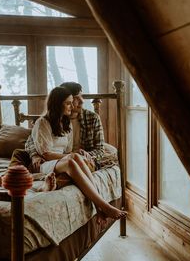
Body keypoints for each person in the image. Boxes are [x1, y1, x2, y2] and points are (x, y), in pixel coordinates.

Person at [30, 85, 126, 221]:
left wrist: (76, 153)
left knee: (73, 159)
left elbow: (69, 150)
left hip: (60, 162)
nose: (72, 106)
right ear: (58, 104)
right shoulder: (42, 123)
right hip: (46, 163)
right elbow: (45, 153)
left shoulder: (66, 123)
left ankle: (99, 207)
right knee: (72, 159)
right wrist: (71, 155)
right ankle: (103, 206)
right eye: (68, 103)